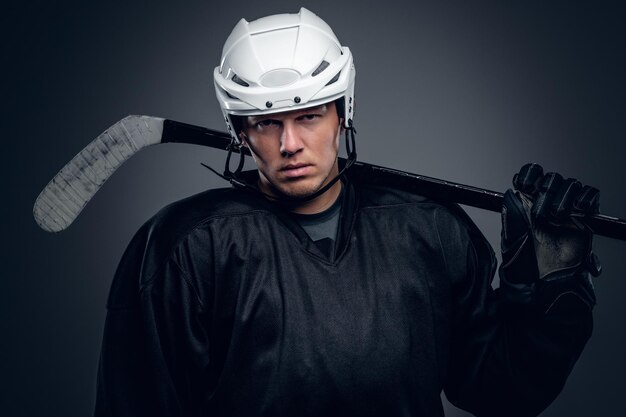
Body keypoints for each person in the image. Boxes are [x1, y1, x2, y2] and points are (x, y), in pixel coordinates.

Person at [94, 8, 601, 417]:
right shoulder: (184, 248)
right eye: (267, 123)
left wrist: (554, 292)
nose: (289, 144)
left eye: (309, 115)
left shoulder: (431, 229)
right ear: (240, 130)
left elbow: (500, 394)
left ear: (343, 112)